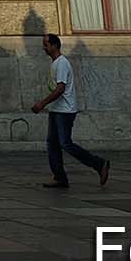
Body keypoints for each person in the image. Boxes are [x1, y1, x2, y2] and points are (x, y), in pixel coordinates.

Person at [31, 32, 109, 189]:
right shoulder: (56, 64)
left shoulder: (61, 63)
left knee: (66, 143)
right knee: (52, 144)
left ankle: (99, 164)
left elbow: (60, 89)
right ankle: (59, 177)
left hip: (65, 111)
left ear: (54, 45)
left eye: (46, 44)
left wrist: (42, 103)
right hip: (57, 110)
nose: (44, 48)